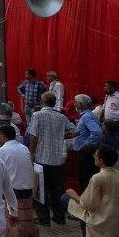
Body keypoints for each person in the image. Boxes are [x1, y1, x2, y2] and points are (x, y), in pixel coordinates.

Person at [65, 145, 119, 237]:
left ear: (100, 160)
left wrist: (73, 195)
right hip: (117, 223)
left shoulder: (98, 178)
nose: (94, 156)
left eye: (96, 155)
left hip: (101, 225)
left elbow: (87, 204)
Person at [27, 91, 76, 226]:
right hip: (58, 160)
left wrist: (31, 153)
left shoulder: (37, 115)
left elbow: (34, 136)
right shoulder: (62, 117)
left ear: (42, 101)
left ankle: (44, 218)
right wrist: (61, 136)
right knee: (56, 190)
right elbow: (74, 131)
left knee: (41, 190)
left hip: (41, 159)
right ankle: (59, 217)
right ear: (54, 103)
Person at [0, 125, 37, 237]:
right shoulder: (24, 148)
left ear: (2, 136)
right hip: (28, 188)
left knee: (9, 219)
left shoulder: (2, 150)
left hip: (13, 190)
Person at [72, 93, 103, 192]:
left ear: (81, 104)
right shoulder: (88, 115)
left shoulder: (87, 116)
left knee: (85, 180)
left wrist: (88, 145)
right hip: (87, 153)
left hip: (86, 154)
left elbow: (97, 132)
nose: (74, 104)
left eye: (76, 102)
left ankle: (87, 200)